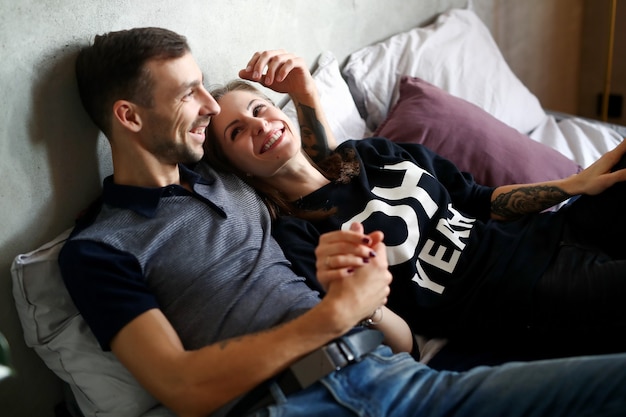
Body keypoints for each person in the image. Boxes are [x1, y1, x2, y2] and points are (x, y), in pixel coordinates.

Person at [59, 27, 626, 417]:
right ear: (129, 116)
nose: (210, 106)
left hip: (397, 377)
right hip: (298, 402)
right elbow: (181, 389)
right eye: (192, 94)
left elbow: (319, 169)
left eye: (215, 90)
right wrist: (337, 312)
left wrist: (303, 96)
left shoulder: (224, 182)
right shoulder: (99, 248)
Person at [204, 62, 626, 361]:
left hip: (551, 230)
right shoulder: (299, 238)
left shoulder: (373, 154)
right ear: (236, 168)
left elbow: (481, 200)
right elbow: (405, 345)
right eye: (237, 131)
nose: (258, 124)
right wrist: (362, 302)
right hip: (522, 294)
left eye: (259, 108)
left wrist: (574, 185)